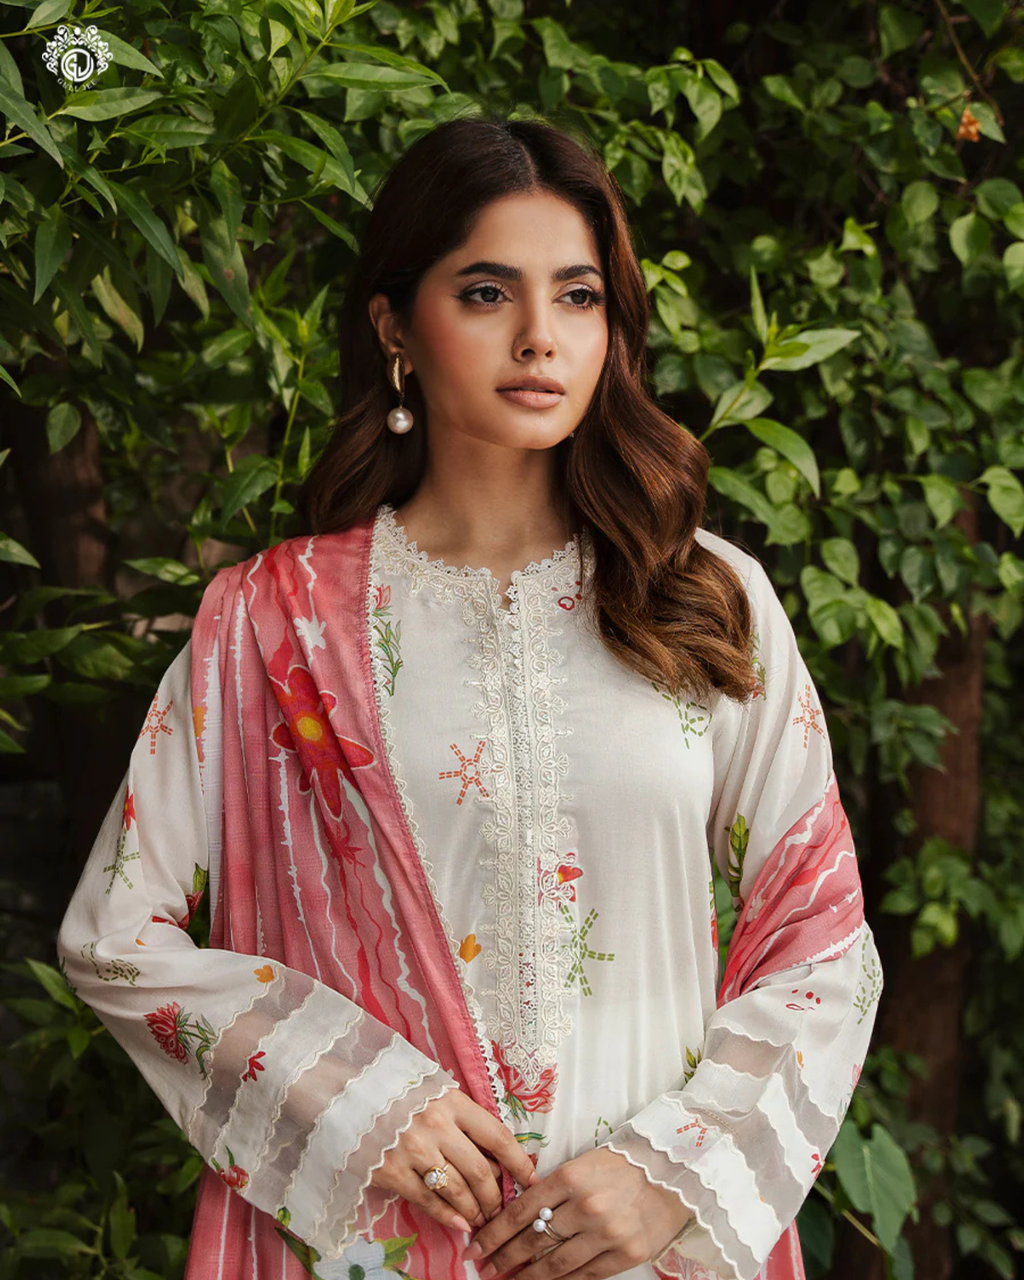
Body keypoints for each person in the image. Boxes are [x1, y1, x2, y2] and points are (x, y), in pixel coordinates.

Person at [57, 113, 882, 1280]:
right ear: (397, 325)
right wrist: (357, 1096)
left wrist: (669, 1170)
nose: (541, 337)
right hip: (368, 1243)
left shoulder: (703, 597)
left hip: (646, 1246)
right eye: (488, 292)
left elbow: (821, 945)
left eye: (580, 296)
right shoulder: (269, 625)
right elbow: (115, 935)